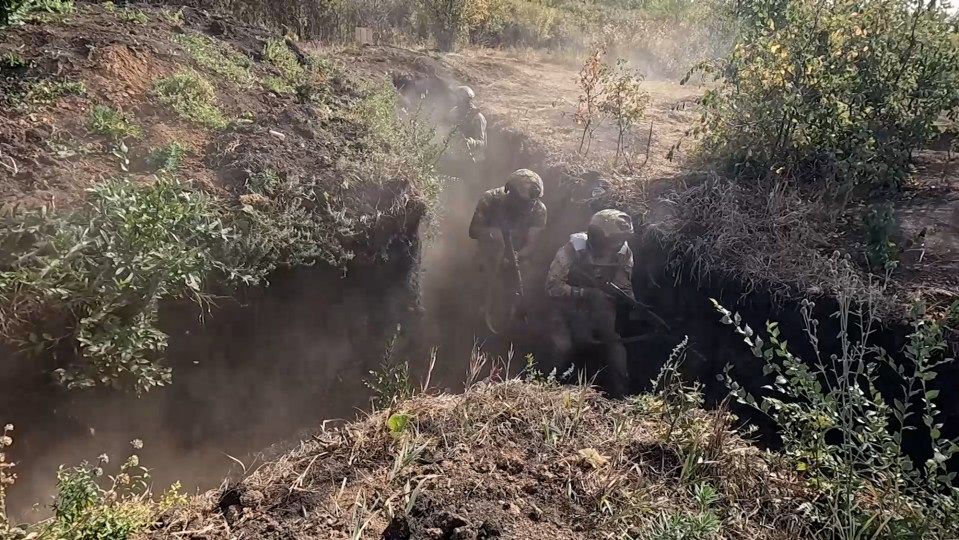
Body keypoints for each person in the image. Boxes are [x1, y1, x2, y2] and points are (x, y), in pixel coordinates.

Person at [545, 209, 635, 398]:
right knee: (563, 349)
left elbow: (622, 286)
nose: (616, 245)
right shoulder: (572, 250)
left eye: (620, 240)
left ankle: (621, 401)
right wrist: (587, 293)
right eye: (612, 240)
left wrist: (632, 304)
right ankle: (552, 393)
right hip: (565, 307)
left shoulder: (623, 253)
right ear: (597, 236)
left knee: (615, 350)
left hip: (600, 309)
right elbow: (552, 287)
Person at [468, 168, 547, 275]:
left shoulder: (539, 210)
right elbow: (473, 231)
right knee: (482, 271)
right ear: (510, 191)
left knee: (527, 273)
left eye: (532, 202)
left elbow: (531, 244)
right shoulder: (491, 199)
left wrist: (517, 256)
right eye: (523, 201)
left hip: (519, 254)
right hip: (489, 250)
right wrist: (495, 235)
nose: (528, 206)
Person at [449, 85, 487, 162]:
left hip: (473, 158)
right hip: (456, 157)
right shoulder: (455, 112)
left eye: (457, 98)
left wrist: (470, 142)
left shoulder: (477, 118)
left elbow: (482, 143)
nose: (456, 100)